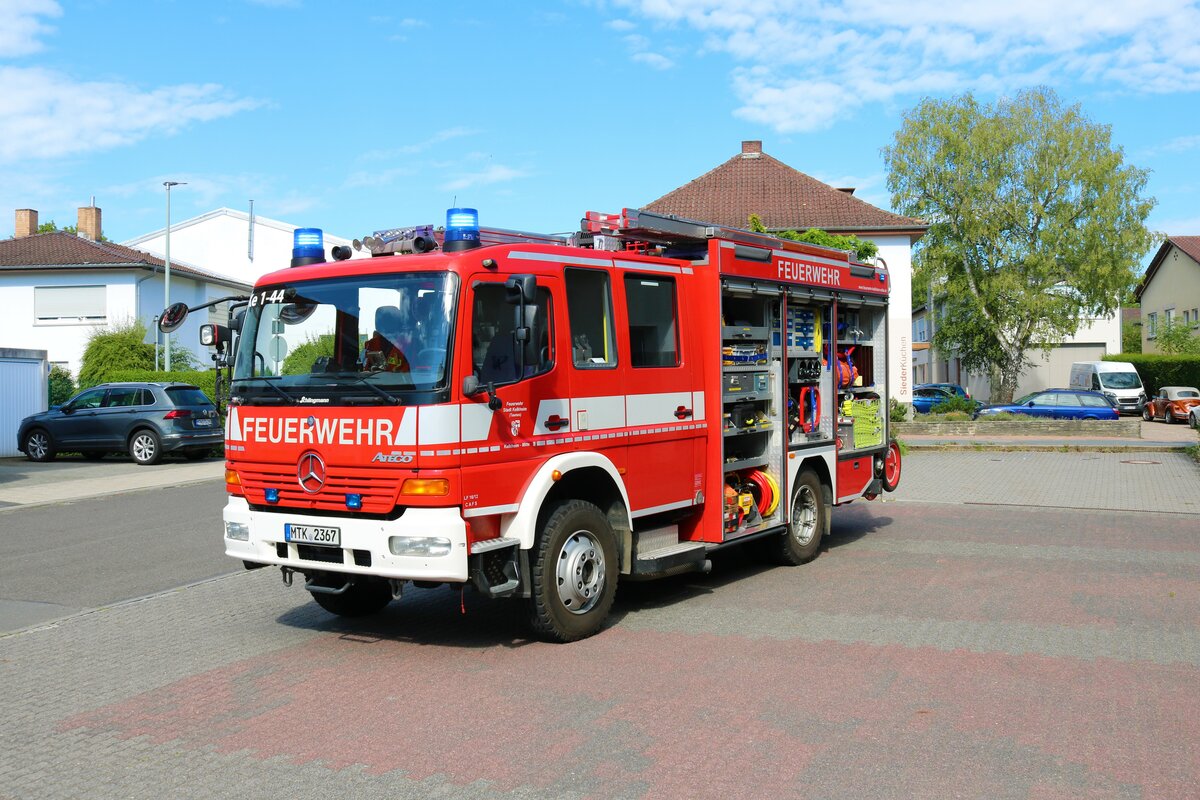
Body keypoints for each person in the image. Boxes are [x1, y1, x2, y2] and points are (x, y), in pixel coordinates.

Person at [364, 306, 410, 372]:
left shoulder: (408, 344)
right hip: (374, 378)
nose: (386, 325)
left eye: (389, 321)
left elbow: (411, 372)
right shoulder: (370, 344)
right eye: (384, 322)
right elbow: (363, 368)